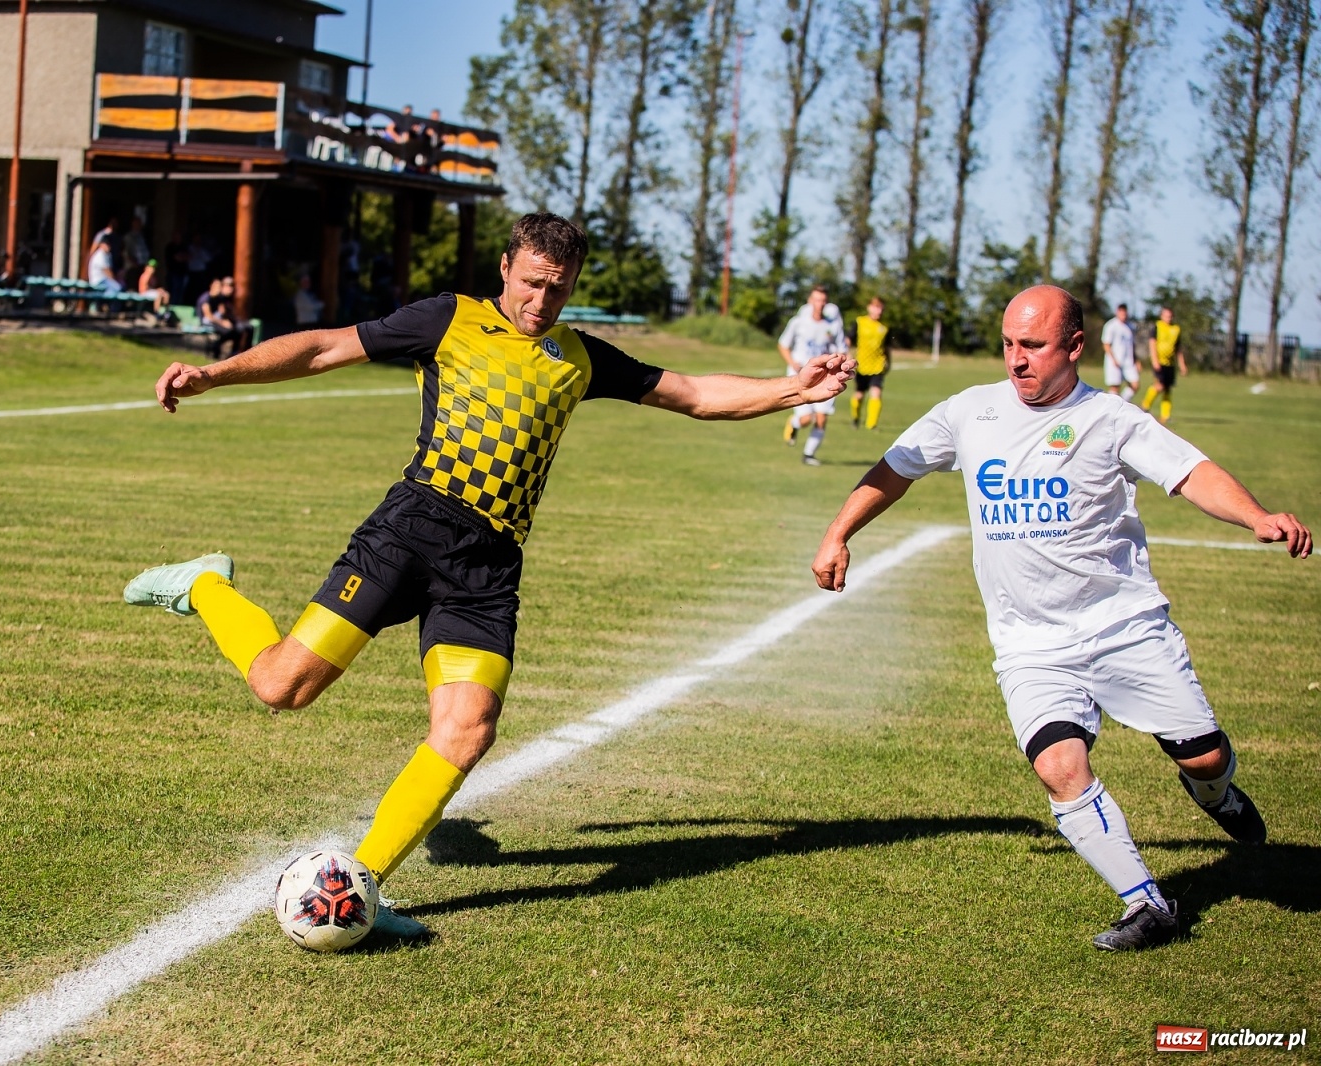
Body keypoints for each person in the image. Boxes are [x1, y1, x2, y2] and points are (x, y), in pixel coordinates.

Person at [124, 213, 854, 941]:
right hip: (410, 531)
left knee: (468, 728)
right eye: (532, 283)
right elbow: (324, 348)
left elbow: (691, 392)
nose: (542, 301)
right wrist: (212, 373)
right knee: (282, 686)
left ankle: (361, 889)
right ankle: (205, 584)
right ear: (505, 268)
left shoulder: (579, 357)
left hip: (489, 566)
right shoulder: (447, 320)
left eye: (559, 289)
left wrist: (795, 389)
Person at [812, 285, 1311, 952]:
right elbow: (897, 468)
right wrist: (837, 533)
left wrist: (1256, 516)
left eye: (1034, 345)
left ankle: (1217, 795)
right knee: (1059, 767)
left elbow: (1190, 472)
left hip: (1123, 627)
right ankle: (1148, 905)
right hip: (1030, 644)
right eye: (1009, 344)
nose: (1017, 360)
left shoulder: (1111, 419)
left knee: (1206, 755)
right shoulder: (969, 412)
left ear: (1075, 347)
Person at [778, 285, 847, 465]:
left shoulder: (833, 325)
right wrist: (792, 362)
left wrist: (839, 363)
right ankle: (794, 423)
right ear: (810, 301)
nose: (820, 304)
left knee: (822, 418)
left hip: (824, 376)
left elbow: (842, 349)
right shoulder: (798, 322)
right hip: (800, 374)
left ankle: (808, 455)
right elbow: (783, 344)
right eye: (817, 300)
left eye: (823, 300)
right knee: (806, 419)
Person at [847, 296, 891, 430]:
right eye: (876, 307)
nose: (879, 311)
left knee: (876, 393)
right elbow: (848, 340)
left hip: (877, 366)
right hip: (861, 366)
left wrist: (889, 362)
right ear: (869, 307)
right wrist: (846, 353)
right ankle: (855, 418)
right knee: (859, 396)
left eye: (881, 308)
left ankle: (872, 425)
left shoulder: (885, 327)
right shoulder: (859, 322)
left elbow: (886, 348)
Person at [1140, 307, 1185, 422]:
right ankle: (1145, 405)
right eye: (1166, 316)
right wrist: (1155, 360)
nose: (1168, 318)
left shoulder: (1176, 329)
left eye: (1170, 316)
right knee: (1159, 385)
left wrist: (1182, 364)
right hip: (1159, 361)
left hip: (1170, 363)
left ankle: (1165, 415)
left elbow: (1178, 349)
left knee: (1167, 388)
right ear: (1161, 316)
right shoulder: (1157, 326)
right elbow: (1152, 344)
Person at [1101, 302, 1139, 402]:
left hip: (1128, 361)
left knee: (1135, 384)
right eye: (1121, 312)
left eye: (1125, 312)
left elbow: (1132, 345)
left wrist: (1136, 360)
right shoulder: (1111, 325)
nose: (1123, 314)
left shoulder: (1130, 326)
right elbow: (1106, 344)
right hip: (1114, 361)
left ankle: (1122, 402)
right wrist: (1113, 359)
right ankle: (1112, 406)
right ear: (1117, 312)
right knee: (1115, 387)